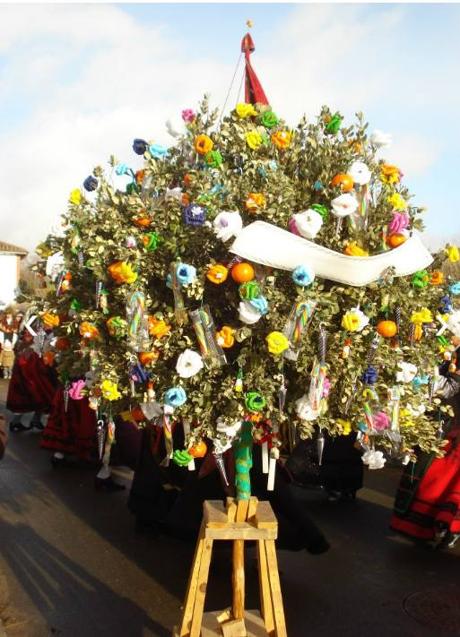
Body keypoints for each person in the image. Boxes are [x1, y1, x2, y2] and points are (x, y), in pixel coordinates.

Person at [128, 423, 330, 555]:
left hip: (228, 429)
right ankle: (304, 530)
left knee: (258, 472)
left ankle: (304, 529)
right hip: (205, 431)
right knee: (254, 471)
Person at [390, 347, 460, 550]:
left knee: (442, 474)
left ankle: (447, 523)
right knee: (436, 471)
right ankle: (440, 523)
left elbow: (447, 387)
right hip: (446, 421)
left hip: (449, 423)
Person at [6, 325, 58, 432]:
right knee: (31, 392)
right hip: (32, 363)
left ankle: (35, 419)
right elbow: (32, 341)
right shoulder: (37, 326)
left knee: (42, 394)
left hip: (41, 363)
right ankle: (16, 422)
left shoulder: (52, 328)